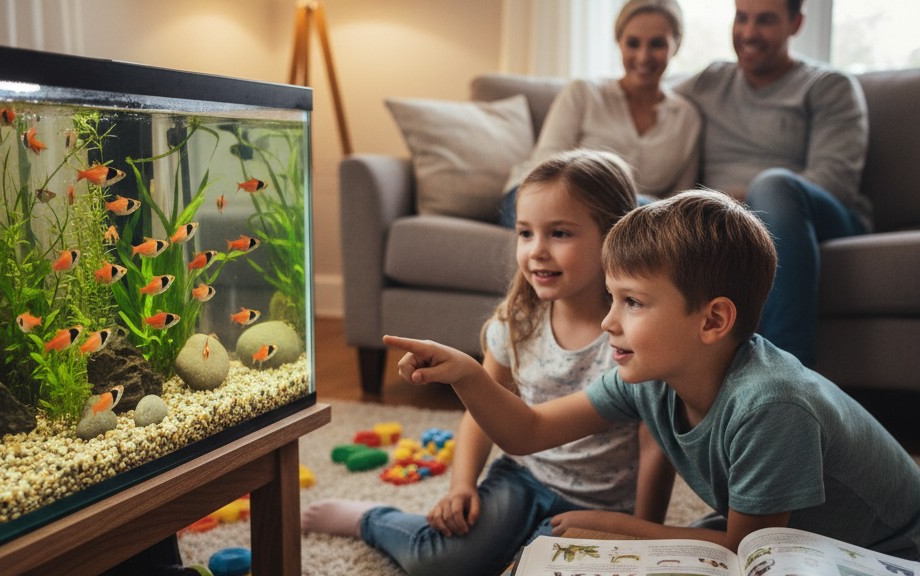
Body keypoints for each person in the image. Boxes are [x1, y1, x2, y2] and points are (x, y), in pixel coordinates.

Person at [385, 190, 920, 560]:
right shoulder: (651, 377)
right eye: (613, 298)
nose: (608, 321)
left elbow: (748, 552)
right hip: (783, 538)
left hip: (881, 555)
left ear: (712, 320)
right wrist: (466, 375)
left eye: (633, 302)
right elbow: (529, 431)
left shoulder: (770, 405)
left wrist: (623, 531)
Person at [302, 150, 675, 575]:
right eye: (525, 233)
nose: (537, 251)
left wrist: (645, 532)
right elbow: (480, 413)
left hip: (604, 506)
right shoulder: (516, 324)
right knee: (440, 563)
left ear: (613, 235)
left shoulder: (634, 337)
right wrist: (462, 485)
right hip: (523, 481)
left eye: (559, 233)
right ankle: (371, 519)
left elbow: (654, 445)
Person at [673, 0, 869, 367]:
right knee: (639, 204)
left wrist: (732, 203)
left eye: (764, 21)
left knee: (774, 185)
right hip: (723, 223)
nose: (748, 33)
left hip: (811, 217)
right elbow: (649, 103)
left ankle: (789, 373)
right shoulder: (710, 81)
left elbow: (833, 182)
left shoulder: (828, 86)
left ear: (796, 24)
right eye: (741, 18)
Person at [499, 0, 700, 227]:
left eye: (657, 44)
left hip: (628, 218)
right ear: (619, 42)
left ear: (677, 45)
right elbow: (545, 170)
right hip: (538, 196)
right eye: (633, 43)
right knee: (637, 213)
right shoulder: (583, 93)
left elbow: (682, 202)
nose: (643, 56)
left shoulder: (687, 118)